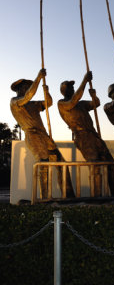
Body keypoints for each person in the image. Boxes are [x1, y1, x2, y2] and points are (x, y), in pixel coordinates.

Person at [10, 69, 74, 199]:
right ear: (19, 89)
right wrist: (38, 78)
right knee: (43, 163)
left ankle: (68, 195)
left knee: (61, 162)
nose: (27, 89)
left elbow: (48, 103)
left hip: (44, 136)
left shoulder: (32, 104)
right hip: (33, 135)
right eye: (25, 87)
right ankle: (45, 198)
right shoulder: (15, 101)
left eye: (28, 86)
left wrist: (46, 92)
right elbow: (28, 96)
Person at [58, 71, 114, 196]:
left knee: (111, 164)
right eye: (70, 87)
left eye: (73, 86)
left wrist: (94, 96)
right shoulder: (62, 104)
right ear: (64, 91)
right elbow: (74, 100)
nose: (73, 89)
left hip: (93, 135)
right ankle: (97, 198)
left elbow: (95, 104)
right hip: (82, 136)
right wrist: (85, 80)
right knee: (95, 166)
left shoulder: (80, 103)